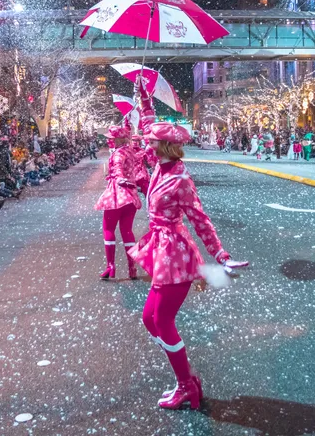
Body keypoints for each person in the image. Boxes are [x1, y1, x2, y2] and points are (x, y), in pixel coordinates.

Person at [129, 88, 243, 410]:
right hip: (160, 247)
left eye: (152, 142)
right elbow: (149, 123)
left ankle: (187, 386)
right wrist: (145, 99)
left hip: (176, 254)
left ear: (164, 147)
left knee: (162, 320)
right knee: (150, 319)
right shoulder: (158, 167)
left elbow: (200, 219)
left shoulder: (180, 179)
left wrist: (220, 255)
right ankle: (188, 379)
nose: (147, 145)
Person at [94, 125, 141, 281]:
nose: (109, 141)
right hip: (131, 195)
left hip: (117, 194)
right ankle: (132, 267)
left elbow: (119, 166)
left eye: (111, 139)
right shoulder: (130, 151)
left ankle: (111, 266)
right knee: (127, 231)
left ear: (117, 140)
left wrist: (119, 177)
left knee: (108, 229)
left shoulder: (118, 154)